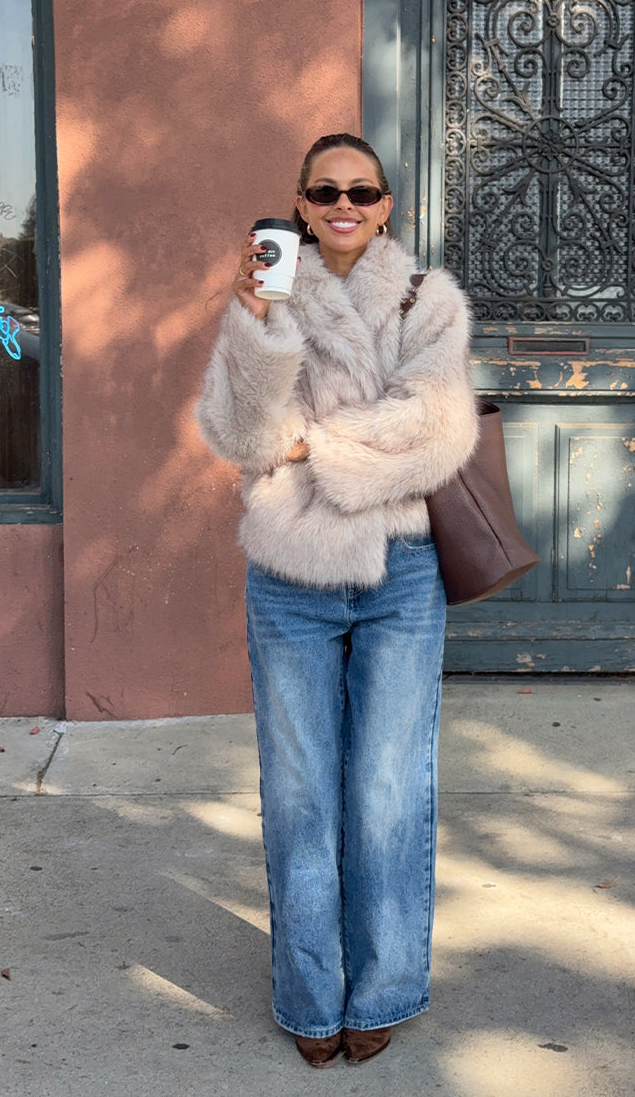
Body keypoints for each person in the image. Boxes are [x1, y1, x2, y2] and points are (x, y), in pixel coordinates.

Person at [196, 133, 477, 1067]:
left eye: (363, 189)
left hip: (400, 572)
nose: (344, 203)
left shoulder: (426, 300)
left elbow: (438, 429)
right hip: (289, 572)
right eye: (325, 191)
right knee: (300, 791)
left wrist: (314, 447)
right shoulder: (270, 299)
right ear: (303, 207)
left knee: (388, 789)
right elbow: (240, 437)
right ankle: (312, 998)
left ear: (388, 202)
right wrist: (258, 330)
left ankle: (387, 984)